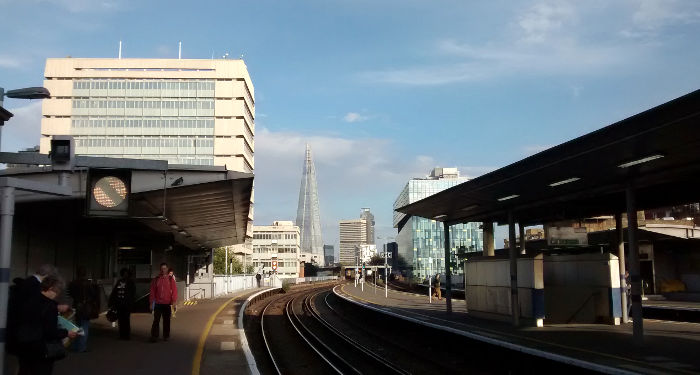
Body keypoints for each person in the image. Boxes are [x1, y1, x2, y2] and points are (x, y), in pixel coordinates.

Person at [17, 275, 78, 375]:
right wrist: (67, 332)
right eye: (57, 292)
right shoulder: (50, 307)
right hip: (40, 348)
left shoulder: (29, 299)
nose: (57, 295)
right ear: (50, 289)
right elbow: (50, 332)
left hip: (24, 345)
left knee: (25, 371)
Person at [68, 266, 99, 353]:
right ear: (85, 273)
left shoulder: (72, 283)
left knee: (76, 326)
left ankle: (75, 345)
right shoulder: (88, 284)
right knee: (84, 326)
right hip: (85, 307)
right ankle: (81, 347)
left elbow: (70, 294)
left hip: (76, 306)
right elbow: (93, 295)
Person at [150, 262, 178, 342]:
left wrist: (174, 302)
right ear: (160, 269)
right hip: (158, 303)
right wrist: (151, 303)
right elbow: (152, 291)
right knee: (156, 320)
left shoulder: (170, 279)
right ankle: (154, 336)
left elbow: (174, 291)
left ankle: (166, 335)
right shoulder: (156, 279)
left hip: (167, 303)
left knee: (166, 321)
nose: (163, 270)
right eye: (162, 268)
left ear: (167, 269)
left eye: (165, 268)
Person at [109, 268, 135, 340]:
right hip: (119, 304)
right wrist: (112, 302)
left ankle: (127, 335)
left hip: (127, 304)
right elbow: (115, 292)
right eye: (124, 273)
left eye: (126, 273)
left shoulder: (130, 282)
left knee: (126, 320)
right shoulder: (119, 282)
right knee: (120, 320)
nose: (125, 275)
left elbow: (132, 294)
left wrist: (131, 303)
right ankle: (121, 335)